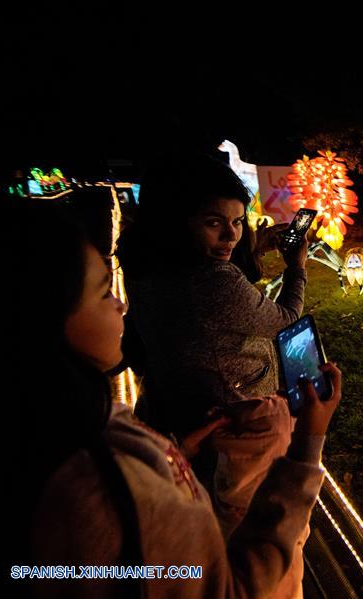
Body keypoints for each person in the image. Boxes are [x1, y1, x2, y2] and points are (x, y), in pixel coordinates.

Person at [3, 202, 341, 597]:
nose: (122, 304)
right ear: (39, 320)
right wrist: (306, 449)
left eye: (236, 223)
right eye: (102, 293)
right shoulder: (100, 496)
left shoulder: (64, 431)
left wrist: (175, 449)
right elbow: (236, 590)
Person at [116, 154, 308, 477]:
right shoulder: (211, 282)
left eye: (237, 221)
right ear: (179, 221)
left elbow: (215, 304)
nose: (231, 236)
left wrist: (255, 249)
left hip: (174, 416)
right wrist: (297, 268)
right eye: (214, 223)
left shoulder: (146, 264)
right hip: (232, 433)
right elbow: (286, 318)